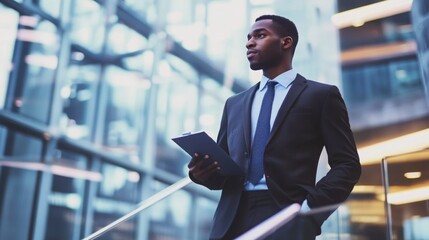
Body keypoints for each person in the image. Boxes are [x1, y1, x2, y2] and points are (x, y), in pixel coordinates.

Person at [188, 14, 361, 240]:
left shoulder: (321, 95)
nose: (249, 42)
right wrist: (201, 174)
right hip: (231, 219)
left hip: (288, 214)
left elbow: (347, 164)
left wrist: (311, 210)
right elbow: (224, 172)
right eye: (249, 37)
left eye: (260, 35)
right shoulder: (235, 103)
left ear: (286, 42)